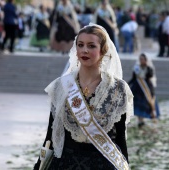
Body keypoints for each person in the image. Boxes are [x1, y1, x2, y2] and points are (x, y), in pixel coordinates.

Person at [33, 23, 133, 170]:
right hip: (65, 164)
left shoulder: (118, 88)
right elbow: (51, 134)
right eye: (80, 45)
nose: (84, 50)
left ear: (103, 50)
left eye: (91, 46)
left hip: (103, 165)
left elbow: (120, 138)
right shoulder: (62, 86)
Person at [128, 53, 160, 128]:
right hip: (137, 88)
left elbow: (150, 76)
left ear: (146, 60)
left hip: (146, 88)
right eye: (140, 59)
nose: (141, 60)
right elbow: (133, 78)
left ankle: (142, 120)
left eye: (143, 59)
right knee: (136, 104)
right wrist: (127, 84)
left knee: (145, 104)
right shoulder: (136, 68)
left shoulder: (149, 68)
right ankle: (139, 120)